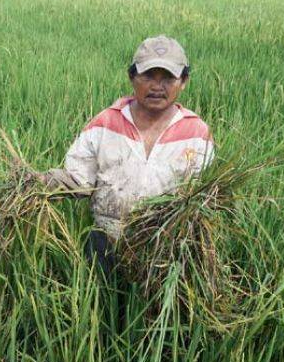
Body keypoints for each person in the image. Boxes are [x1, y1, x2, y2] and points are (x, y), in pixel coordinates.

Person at [36, 35, 214, 277]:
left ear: (183, 81)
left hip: (165, 247)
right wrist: (41, 182)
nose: (157, 86)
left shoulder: (196, 133)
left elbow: (203, 198)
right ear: (132, 77)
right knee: (99, 305)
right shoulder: (105, 123)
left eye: (168, 78)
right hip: (105, 241)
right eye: (148, 76)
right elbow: (78, 179)